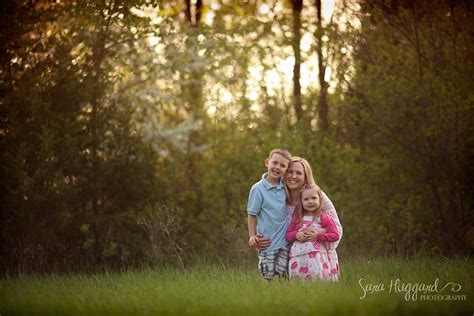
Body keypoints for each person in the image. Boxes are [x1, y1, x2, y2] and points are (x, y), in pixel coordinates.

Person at [284, 157, 342, 278]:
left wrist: (317, 232)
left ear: (306, 177)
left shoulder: (318, 196)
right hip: (291, 254)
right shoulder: (278, 196)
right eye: (290, 171)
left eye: (299, 173)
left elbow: (336, 230)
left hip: (319, 254)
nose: (293, 176)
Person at [247, 148, 292, 280]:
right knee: (268, 276)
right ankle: (267, 298)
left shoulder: (285, 187)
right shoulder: (258, 189)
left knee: (284, 275)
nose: (278, 167)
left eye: (283, 165)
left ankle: (285, 298)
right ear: (267, 163)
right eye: (275, 163)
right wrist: (252, 236)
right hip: (267, 242)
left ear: (286, 170)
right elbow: (252, 214)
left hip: (285, 241)